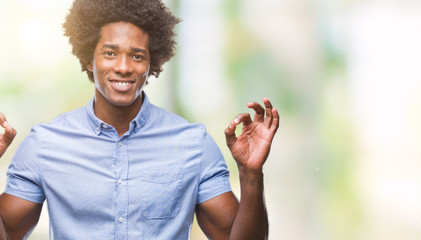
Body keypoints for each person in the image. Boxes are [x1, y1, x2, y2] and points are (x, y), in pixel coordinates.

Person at [0, 0, 279, 239]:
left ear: (151, 64)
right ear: (89, 59)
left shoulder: (193, 144)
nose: (123, 67)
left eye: (137, 56)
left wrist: (251, 174)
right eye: (110, 53)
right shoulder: (45, 144)